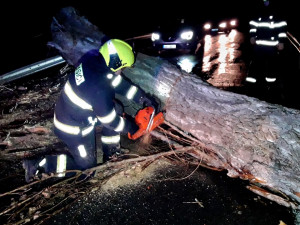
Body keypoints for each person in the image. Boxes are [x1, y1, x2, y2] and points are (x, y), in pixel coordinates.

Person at [23, 39, 160, 182]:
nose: (122, 71)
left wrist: (142, 98)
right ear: (116, 63)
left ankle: (112, 154)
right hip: (73, 128)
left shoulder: (94, 63)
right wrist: (132, 127)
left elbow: (118, 84)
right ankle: (40, 165)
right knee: (87, 171)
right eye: (123, 67)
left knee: (117, 108)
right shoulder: (99, 87)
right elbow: (109, 120)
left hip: (77, 114)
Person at [245, 0, 287, 87]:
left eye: (267, 1)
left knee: (271, 68)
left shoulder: (277, 12)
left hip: (272, 46)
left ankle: (271, 88)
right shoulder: (258, 10)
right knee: (255, 67)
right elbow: (253, 24)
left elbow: (282, 28)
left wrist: (281, 42)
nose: (265, 3)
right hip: (259, 45)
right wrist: (252, 36)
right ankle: (251, 87)